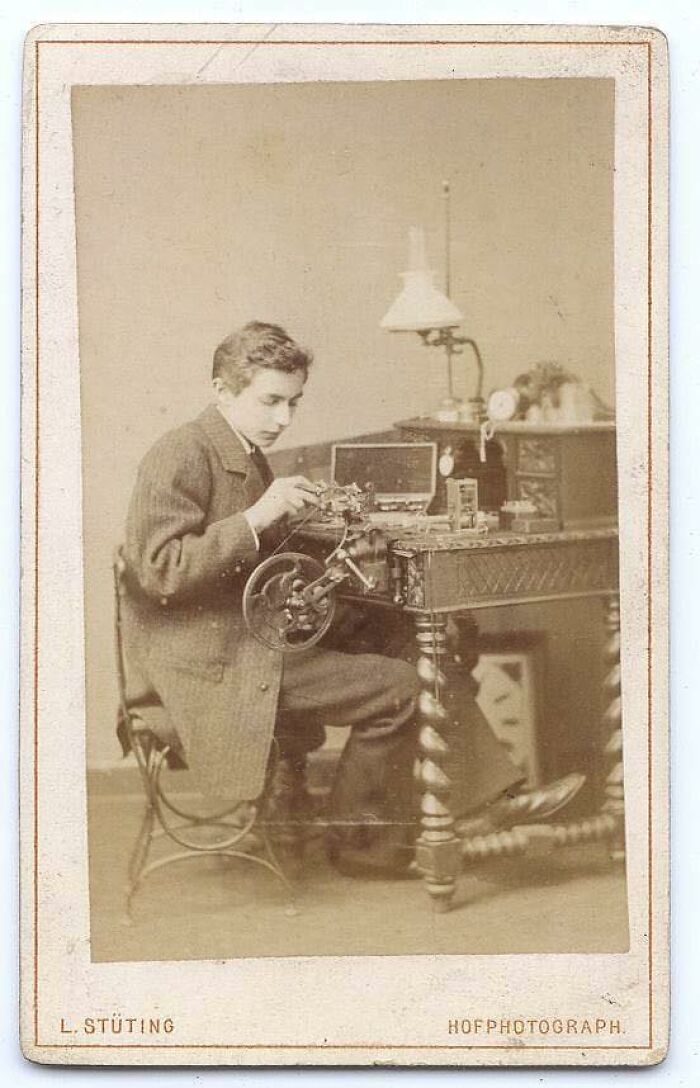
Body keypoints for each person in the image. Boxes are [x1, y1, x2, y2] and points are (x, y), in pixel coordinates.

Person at [120, 320, 583, 877]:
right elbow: (158, 573)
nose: (283, 419)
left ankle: (487, 800)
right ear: (221, 389)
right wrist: (258, 517)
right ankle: (358, 842)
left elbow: (253, 564)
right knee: (399, 689)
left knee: (410, 637)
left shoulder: (241, 448)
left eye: (293, 403)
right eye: (271, 402)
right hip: (210, 663)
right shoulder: (179, 453)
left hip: (251, 635)